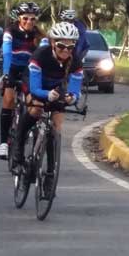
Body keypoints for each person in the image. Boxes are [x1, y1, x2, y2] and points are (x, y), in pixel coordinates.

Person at [12, 22, 83, 194]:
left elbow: (75, 91)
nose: (66, 50)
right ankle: (17, 152)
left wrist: (71, 97)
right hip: (34, 84)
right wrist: (46, 95)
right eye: (61, 46)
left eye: (70, 46)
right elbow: (36, 89)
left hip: (56, 88)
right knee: (35, 110)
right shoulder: (40, 55)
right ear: (52, 43)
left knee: (56, 128)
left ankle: (50, 176)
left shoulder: (76, 61)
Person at [0, 1, 47, 160]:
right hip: (11, 67)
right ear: (19, 18)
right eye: (25, 18)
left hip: (28, 70)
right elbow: (6, 53)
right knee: (9, 99)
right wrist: (5, 74)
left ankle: (26, 130)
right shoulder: (10, 32)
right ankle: (3, 143)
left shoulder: (40, 36)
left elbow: (43, 56)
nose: (29, 22)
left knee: (33, 101)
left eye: (33, 19)